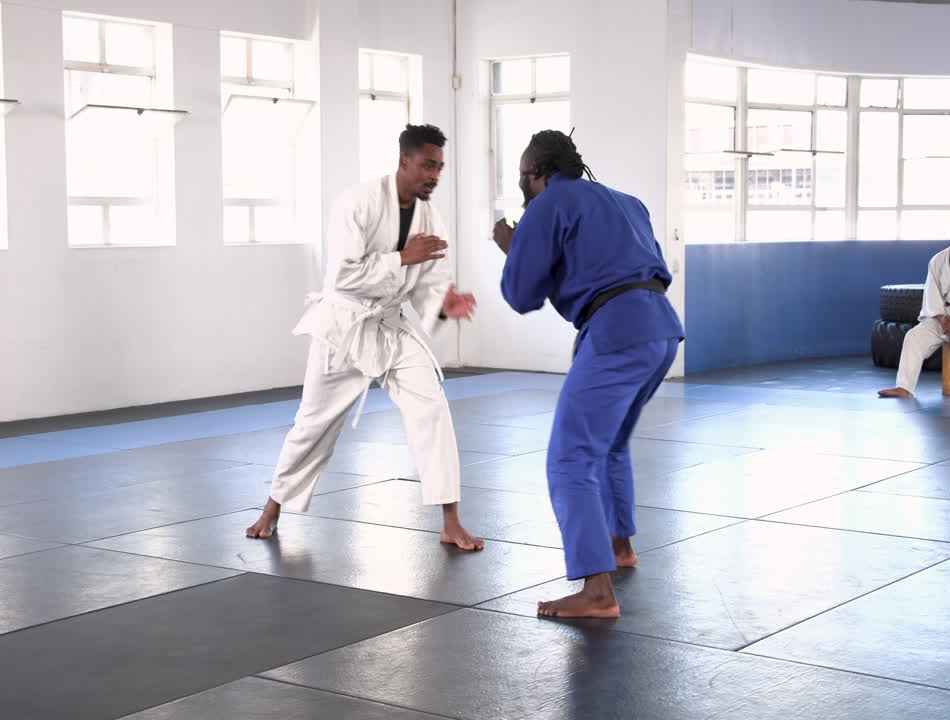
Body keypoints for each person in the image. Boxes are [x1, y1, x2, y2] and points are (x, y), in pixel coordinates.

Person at [245, 124, 484, 550]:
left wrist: (443, 304)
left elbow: (430, 279)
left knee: (432, 409)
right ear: (404, 161)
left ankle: (450, 520)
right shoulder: (356, 202)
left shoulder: (430, 215)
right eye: (428, 165)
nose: (435, 175)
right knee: (313, 423)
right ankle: (272, 507)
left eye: (440, 168)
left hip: (390, 327)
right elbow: (341, 275)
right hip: (344, 327)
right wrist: (400, 259)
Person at [492, 130, 683, 618]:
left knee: (569, 458)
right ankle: (619, 547)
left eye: (523, 174)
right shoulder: (627, 202)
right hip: (660, 328)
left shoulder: (547, 204)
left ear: (535, 173)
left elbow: (521, 295)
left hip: (616, 331)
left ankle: (597, 591)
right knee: (611, 444)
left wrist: (512, 247)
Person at [878, 213, 950, 403]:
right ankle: (904, 387)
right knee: (914, 336)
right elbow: (931, 294)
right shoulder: (937, 260)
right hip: (943, 316)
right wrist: (942, 318)